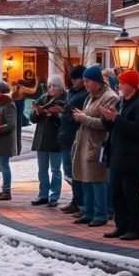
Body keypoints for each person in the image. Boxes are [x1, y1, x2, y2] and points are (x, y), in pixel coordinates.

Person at [101, 70, 139, 241]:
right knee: (116, 192)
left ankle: (135, 228)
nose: (119, 86)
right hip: (117, 154)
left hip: (132, 157)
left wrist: (117, 119)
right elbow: (115, 126)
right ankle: (121, 225)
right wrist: (107, 118)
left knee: (130, 193)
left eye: (122, 83)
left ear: (131, 85)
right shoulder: (122, 101)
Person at [71, 65, 117, 227]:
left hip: (98, 144)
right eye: (84, 81)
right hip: (85, 142)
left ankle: (101, 214)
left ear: (97, 81)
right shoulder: (91, 96)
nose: (85, 84)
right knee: (86, 178)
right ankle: (88, 212)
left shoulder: (110, 97)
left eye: (87, 81)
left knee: (97, 180)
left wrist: (84, 118)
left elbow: (106, 124)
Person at [29, 75, 67, 206]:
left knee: (55, 170)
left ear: (60, 87)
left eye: (54, 86)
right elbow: (32, 119)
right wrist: (37, 112)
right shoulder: (43, 98)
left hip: (55, 139)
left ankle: (54, 196)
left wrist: (53, 115)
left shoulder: (64, 99)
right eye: (49, 85)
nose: (51, 88)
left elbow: (64, 120)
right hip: (41, 138)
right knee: (42, 169)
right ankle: (43, 195)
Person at [59, 66, 89, 216]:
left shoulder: (84, 95)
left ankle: (81, 202)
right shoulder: (72, 93)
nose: (72, 81)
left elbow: (81, 116)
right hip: (66, 136)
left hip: (74, 136)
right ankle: (76, 200)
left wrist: (67, 115)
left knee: (76, 172)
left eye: (75, 78)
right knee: (69, 172)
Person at [0, 81, 18, 201]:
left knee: (3, 165)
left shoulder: (8, 105)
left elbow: (11, 124)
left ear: (2, 92)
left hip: (5, 141)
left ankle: (6, 191)